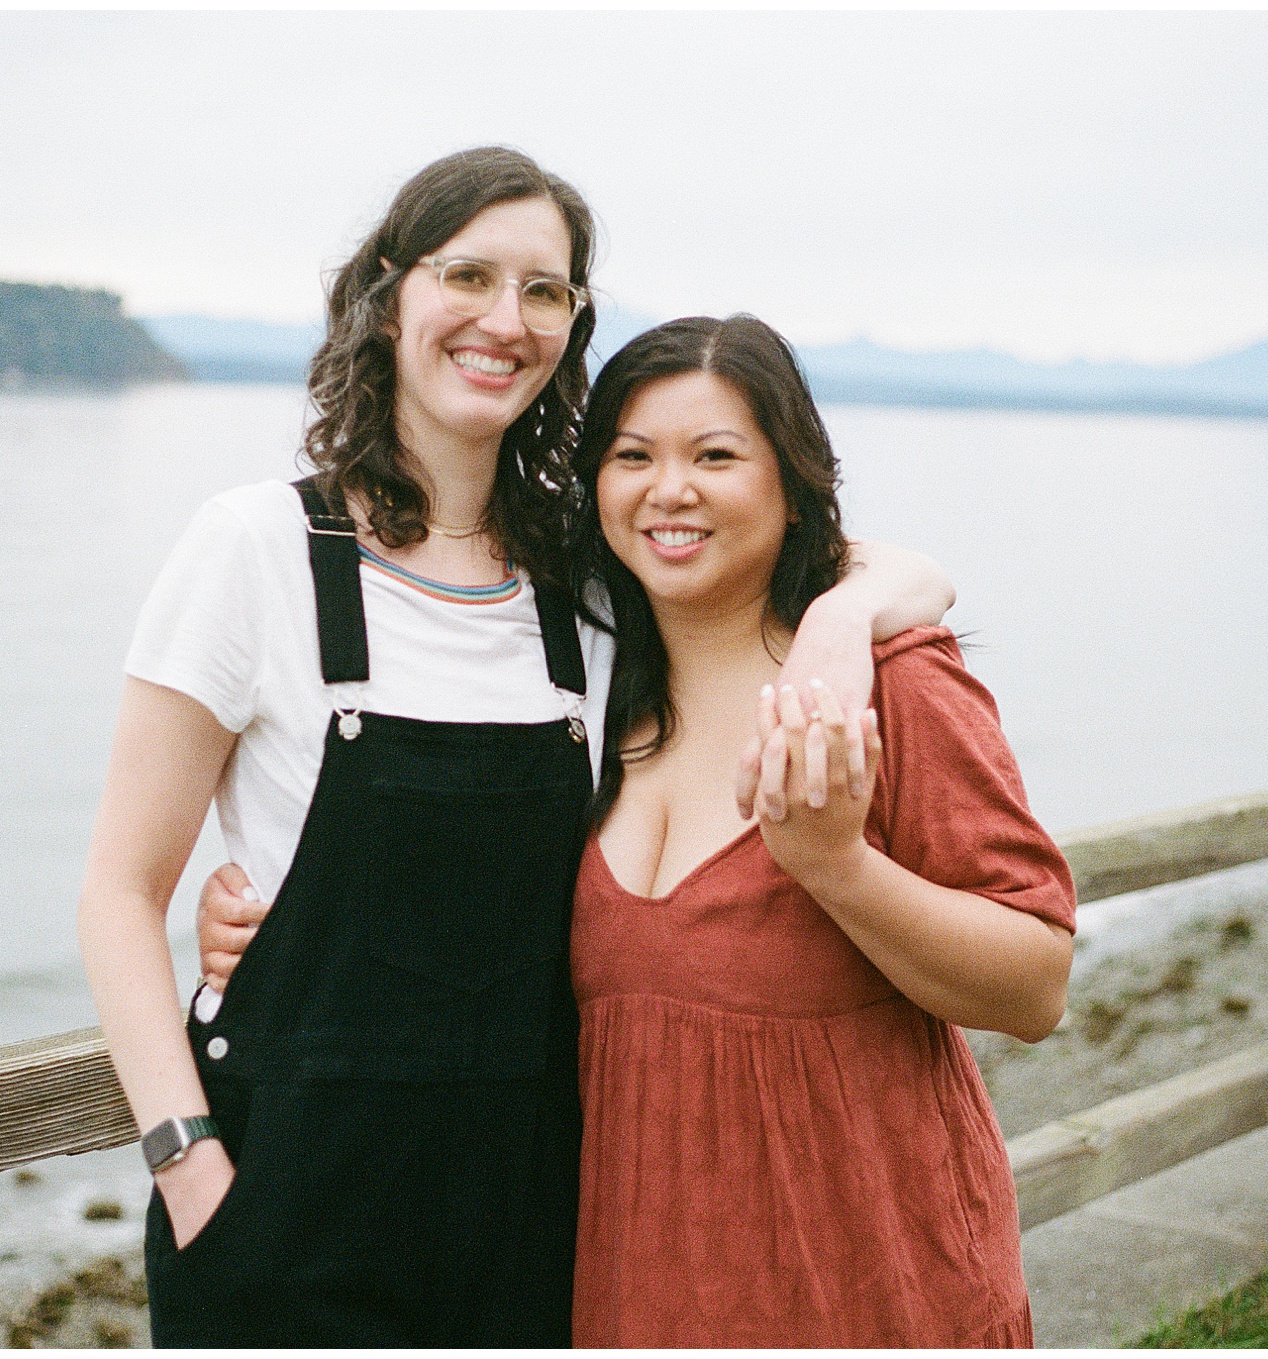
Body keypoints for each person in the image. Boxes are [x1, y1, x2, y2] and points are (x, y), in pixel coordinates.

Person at [78, 148, 952, 1348]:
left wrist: (847, 624)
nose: (506, 320)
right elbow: (122, 893)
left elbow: (876, 566)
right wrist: (189, 1169)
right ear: (389, 295)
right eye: (470, 275)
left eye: (546, 291)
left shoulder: (585, 585)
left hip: (533, 1221)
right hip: (284, 1218)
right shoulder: (254, 552)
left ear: (575, 324)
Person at [198, 312, 1075, 1347]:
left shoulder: (890, 688)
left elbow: (1034, 986)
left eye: (716, 455)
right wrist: (278, 929)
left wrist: (837, 867)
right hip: (640, 1295)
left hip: (869, 1286)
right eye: (632, 457)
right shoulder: (589, 697)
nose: (670, 490)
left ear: (791, 483)